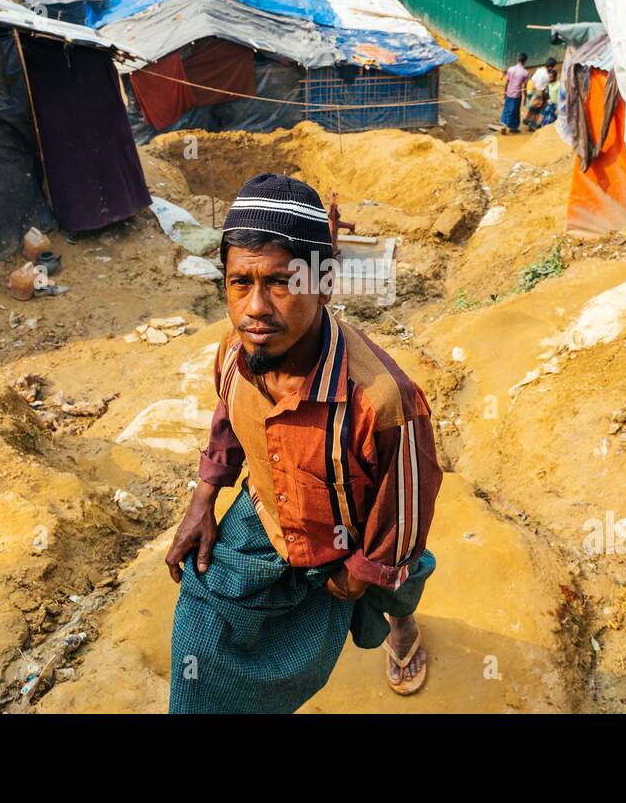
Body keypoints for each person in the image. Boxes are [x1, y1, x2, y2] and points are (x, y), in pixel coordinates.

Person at [166, 174, 443, 713]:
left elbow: (402, 521)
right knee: (199, 642)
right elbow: (231, 413)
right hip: (269, 510)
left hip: (355, 530)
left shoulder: (385, 405)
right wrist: (204, 497)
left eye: (281, 282)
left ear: (326, 283)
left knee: (400, 574)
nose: (256, 308)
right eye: (239, 283)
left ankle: (400, 619)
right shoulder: (232, 352)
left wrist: (353, 580)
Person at [524, 56, 557, 130]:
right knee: (538, 110)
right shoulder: (545, 76)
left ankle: (529, 124)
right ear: (550, 67)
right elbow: (542, 89)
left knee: (532, 109)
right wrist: (541, 100)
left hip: (534, 91)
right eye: (552, 67)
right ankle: (533, 126)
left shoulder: (539, 70)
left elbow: (533, 80)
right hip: (540, 93)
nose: (552, 68)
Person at [500, 52, 529, 133]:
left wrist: (505, 92)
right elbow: (524, 87)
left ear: (518, 59)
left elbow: (507, 82)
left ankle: (504, 125)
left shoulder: (510, 69)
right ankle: (512, 128)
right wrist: (525, 98)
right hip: (517, 95)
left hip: (509, 92)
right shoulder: (525, 73)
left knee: (507, 109)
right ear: (525, 61)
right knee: (514, 111)